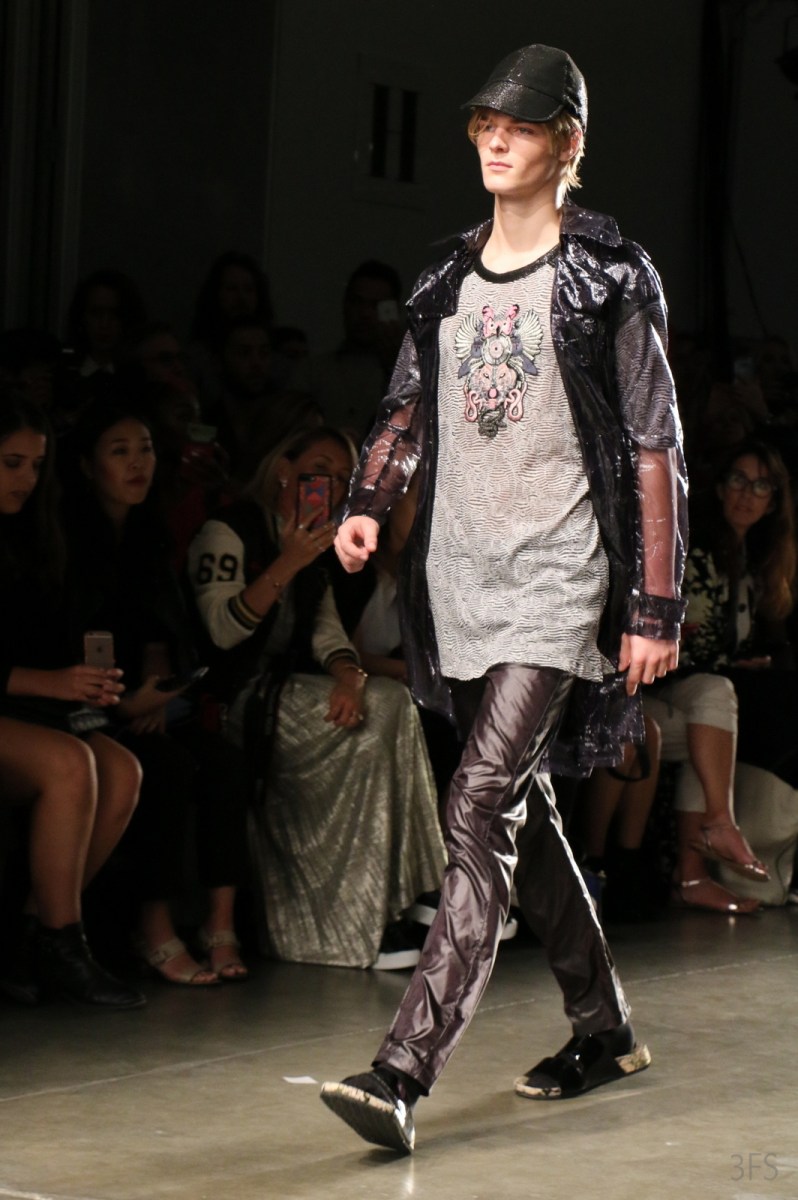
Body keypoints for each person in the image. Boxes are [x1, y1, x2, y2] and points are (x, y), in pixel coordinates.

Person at [321, 44, 687, 1153]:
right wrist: (369, 499)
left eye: (519, 125)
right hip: (458, 578)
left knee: (478, 804)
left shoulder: (610, 273)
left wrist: (654, 605)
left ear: (567, 143)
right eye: (486, 121)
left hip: (559, 578)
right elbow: (405, 407)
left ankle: (401, 1072)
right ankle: (603, 1026)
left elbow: (653, 441)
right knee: (516, 807)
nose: (494, 139)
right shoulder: (445, 276)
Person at [187, 426, 447, 970]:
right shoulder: (230, 530)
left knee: (390, 702)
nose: (327, 485)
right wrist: (287, 562)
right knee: (383, 712)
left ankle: (409, 890)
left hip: (288, 690)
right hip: (233, 697)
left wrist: (350, 676)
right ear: (284, 470)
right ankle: (372, 912)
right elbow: (222, 630)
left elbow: (327, 633)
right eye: (319, 471)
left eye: (340, 477)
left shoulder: (313, 544)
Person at [63, 399, 251, 984]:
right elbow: (73, 640)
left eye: (144, 450)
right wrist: (123, 703)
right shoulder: (67, 539)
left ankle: (220, 925)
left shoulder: (149, 534)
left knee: (223, 762)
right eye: (119, 452)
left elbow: (165, 627)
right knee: (165, 767)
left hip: (146, 702)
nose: (136, 464)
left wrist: (159, 686)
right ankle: (154, 925)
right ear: (87, 464)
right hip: (82, 708)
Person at [0, 395, 144, 1009]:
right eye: (11, 463)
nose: (26, 479)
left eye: (36, 465)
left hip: (25, 708)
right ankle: (64, 944)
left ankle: (33, 936)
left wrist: (84, 682)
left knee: (122, 769)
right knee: (69, 764)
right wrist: (52, 682)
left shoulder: (35, 531)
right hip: (19, 703)